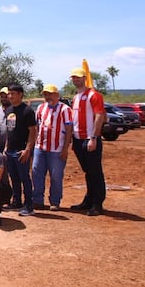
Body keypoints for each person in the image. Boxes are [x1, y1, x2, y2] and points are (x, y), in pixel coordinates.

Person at [69, 68, 107, 216]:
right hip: (78, 139)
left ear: (84, 78)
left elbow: (99, 117)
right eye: (73, 78)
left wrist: (94, 137)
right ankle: (89, 200)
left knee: (95, 172)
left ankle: (98, 203)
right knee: (88, 172)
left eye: (78, 78)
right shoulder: (76, 97)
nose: (76, 80)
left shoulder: (94, 95)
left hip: (89, 139)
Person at [32, 84, 73, 211]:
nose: (48, 97)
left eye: (50, 94)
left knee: (56, 176)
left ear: (57, 95)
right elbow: (37, 127)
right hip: (40, 147)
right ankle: (37, 200)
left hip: (57, 149)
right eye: (45, 94)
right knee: (36, 173)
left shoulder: (65, 109)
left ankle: (55, 201)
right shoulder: (41, 108)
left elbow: (69, 129)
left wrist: (65, 148)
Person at [3, 83, 38, 216]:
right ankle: (16, 202)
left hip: (21, 150)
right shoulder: (9, 110)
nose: (10, 96)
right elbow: (9, 130)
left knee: (24, 178)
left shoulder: (27, 111)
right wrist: (6, 147)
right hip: (10, 150)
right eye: (9, 93)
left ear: (20, 95)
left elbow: (33, 131)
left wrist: (28, 149)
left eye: (13, 94)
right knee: (14, 178)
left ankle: (29, 206)